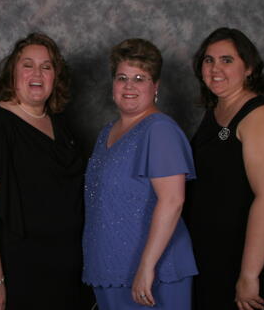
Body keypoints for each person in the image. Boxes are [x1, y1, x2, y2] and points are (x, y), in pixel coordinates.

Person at [0, 32, 92, 310]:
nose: (37, 73)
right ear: (12, 73)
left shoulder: (58, 125)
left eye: (46, 66)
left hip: (61, 278)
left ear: (56, 77)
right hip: (17, 276)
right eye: (27, 65)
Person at [184, 27, 264, 310]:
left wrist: (249, 275)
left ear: (249, 67)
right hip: (218, 256)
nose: (216, 69)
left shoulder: (261, 116)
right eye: (208, 60)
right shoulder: (216, 110)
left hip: (258, 261)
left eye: (227, 60)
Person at [82, 38, 198, 309]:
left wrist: (147, 267)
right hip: (112, 269)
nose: (129, 86)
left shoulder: (159, 130)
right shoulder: (107, 132)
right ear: (113, 85)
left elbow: (172, 201)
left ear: (155, 87)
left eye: (140, 78)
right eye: (122, 78)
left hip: (153, 271)